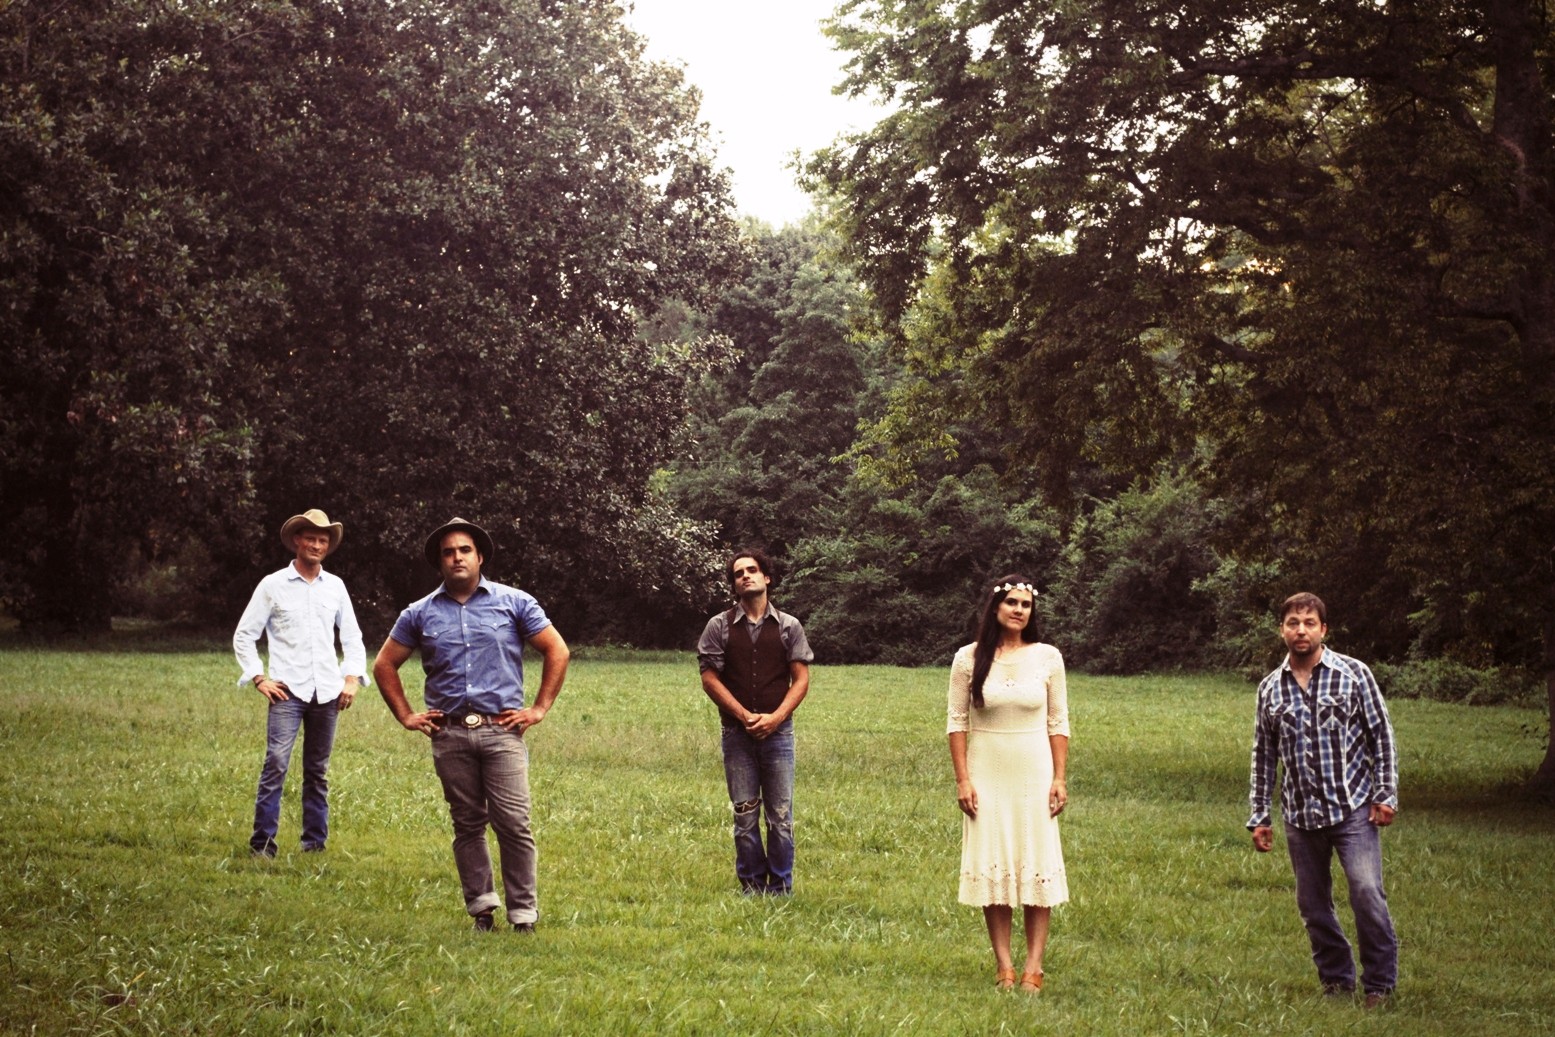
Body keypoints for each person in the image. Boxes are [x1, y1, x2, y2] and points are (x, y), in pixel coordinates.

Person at [373, 518, 569, 933]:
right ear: (439, 563)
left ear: (480, 557)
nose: (457, 557)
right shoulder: (419, 613)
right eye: (448, 552)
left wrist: (538, 708)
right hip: (450, 734)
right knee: (467, 822)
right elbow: (385, 664)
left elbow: (557, 650)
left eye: (464, 550)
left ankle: (523, 915)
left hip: (503, 731)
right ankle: (482, 908)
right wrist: (407, 715)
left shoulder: (515, 603)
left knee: (514, 823)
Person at [1248, 592, 1399, 1008]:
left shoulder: (1354, 675)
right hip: (1300, 816)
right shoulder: (1270, 690)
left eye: (1310, 622)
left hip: (1353, 809)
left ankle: (1379, 986)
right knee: (1313, 907)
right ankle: (1336, 982)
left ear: (1323, 629)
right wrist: (1260, 815)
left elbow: (1380, 737)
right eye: (1293, 622)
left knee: (1366, 893)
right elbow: (1264, 756)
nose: (1301, 629)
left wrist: (1385, 794)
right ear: (1282, 629)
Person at [947, 575, 1069, 992]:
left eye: (1026, 605)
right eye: (1012, 603)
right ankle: (1004, 966)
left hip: (1034, 771)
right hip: (986, 771)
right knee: (994, 865)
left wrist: (1059, 777)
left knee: (1035, 864)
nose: (1019, 610)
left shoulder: (1048, 657)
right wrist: (963, 780)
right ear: (995, 608)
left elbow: (1058, 722)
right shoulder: (968, 658)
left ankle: (1034, 966)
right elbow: (957, 722)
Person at [233, 509, 368, 857]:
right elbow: (245, 636)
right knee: (276, 763)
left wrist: (351, 679)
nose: (317, 545)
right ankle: (262, 845)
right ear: (297, 540)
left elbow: (352, 638)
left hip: (328, 692)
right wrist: (259, 678)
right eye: (311, 538)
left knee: (317, 771)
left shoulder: (335, 587)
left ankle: (314, 845)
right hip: (287, 691)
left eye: (323, 540)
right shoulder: (272, 585)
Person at [696, 549, 813, 895]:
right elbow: (709, 679)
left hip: (779, 735)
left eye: (752, 570)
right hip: (737, 733)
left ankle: (780, 888)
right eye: (738, 573)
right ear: (734, 584)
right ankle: (751, 886)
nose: (745, 576)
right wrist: (743, 715)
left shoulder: (789, 627)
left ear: (767, 578)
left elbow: (801, 680)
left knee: (780, 815)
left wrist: (775, 719)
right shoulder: (718, 627)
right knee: (745, 813)